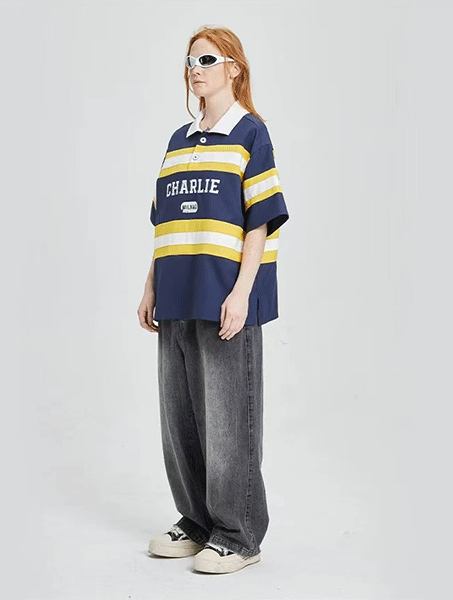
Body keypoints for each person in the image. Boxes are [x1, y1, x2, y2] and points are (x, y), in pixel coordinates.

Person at [138, 25, 289, 574]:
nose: (194, 69)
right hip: (176, 296)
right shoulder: (179, 140)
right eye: (189, 61)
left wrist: (242, 292)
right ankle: (197, 521)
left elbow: (260, 221)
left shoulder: (250, 133)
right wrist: (151, 286)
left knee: (228, 422)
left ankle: (238, 534)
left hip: (224, 296)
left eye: (206, 60)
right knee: (179, 420)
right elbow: (165, 222)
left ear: (233, 68)